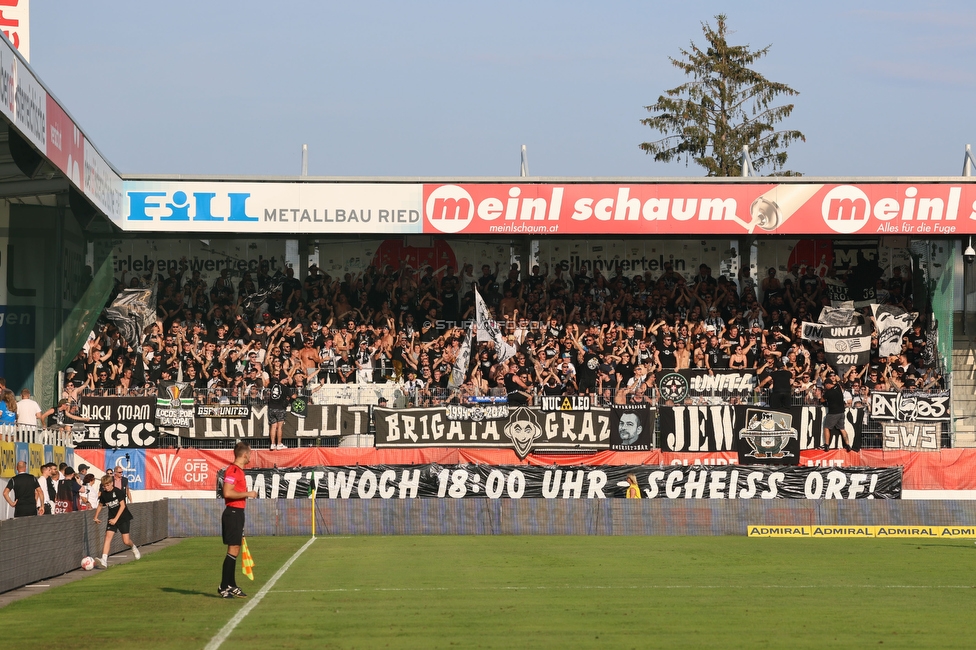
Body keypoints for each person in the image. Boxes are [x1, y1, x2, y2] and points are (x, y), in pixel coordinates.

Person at [219, 441, 259, 598]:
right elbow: (227, 493)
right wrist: (248, 494)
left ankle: (231, 584)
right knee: (232, 549)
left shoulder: (238, 471)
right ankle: (224, 586)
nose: (250, 456)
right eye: (249, 453)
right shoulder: (233, 470)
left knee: (235, 549)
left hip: (237, 513)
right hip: (233, 513)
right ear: (245, 455)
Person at [93, 474, 140, 568]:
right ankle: (104, 560)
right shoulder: (104, 494)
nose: (106, 487)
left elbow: (123, 506)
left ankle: (133, 547)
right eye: (104, 486)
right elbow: (100, 505)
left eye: (107, 485)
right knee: (107, 537)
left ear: (111, 483)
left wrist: (115, 519)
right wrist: (96, 517)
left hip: (123, 518)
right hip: (112, 518)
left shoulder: (117, 492)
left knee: (126, 541)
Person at [821, 373, 850, 451]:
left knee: (826, 427)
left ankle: (827, 445)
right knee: (842, 429)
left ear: (827, 385)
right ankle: (848, 445)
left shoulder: (828, 393)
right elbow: (838, 380)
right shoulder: (837, 387)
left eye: (825, 385)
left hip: (833, 413)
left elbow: (822, 400)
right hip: (841, 412)